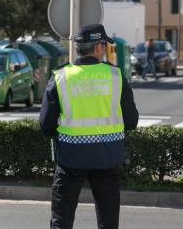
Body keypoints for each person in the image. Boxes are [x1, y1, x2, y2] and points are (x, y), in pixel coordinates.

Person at [39, 24, 139, 229]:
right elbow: (131, 121)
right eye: (105, 45)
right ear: (98, 48)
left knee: (62, 219)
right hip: (107, 158)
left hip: (70, 159)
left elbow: (45, 125)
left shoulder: (61, 77)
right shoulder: (116, 77)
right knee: (108, 220)